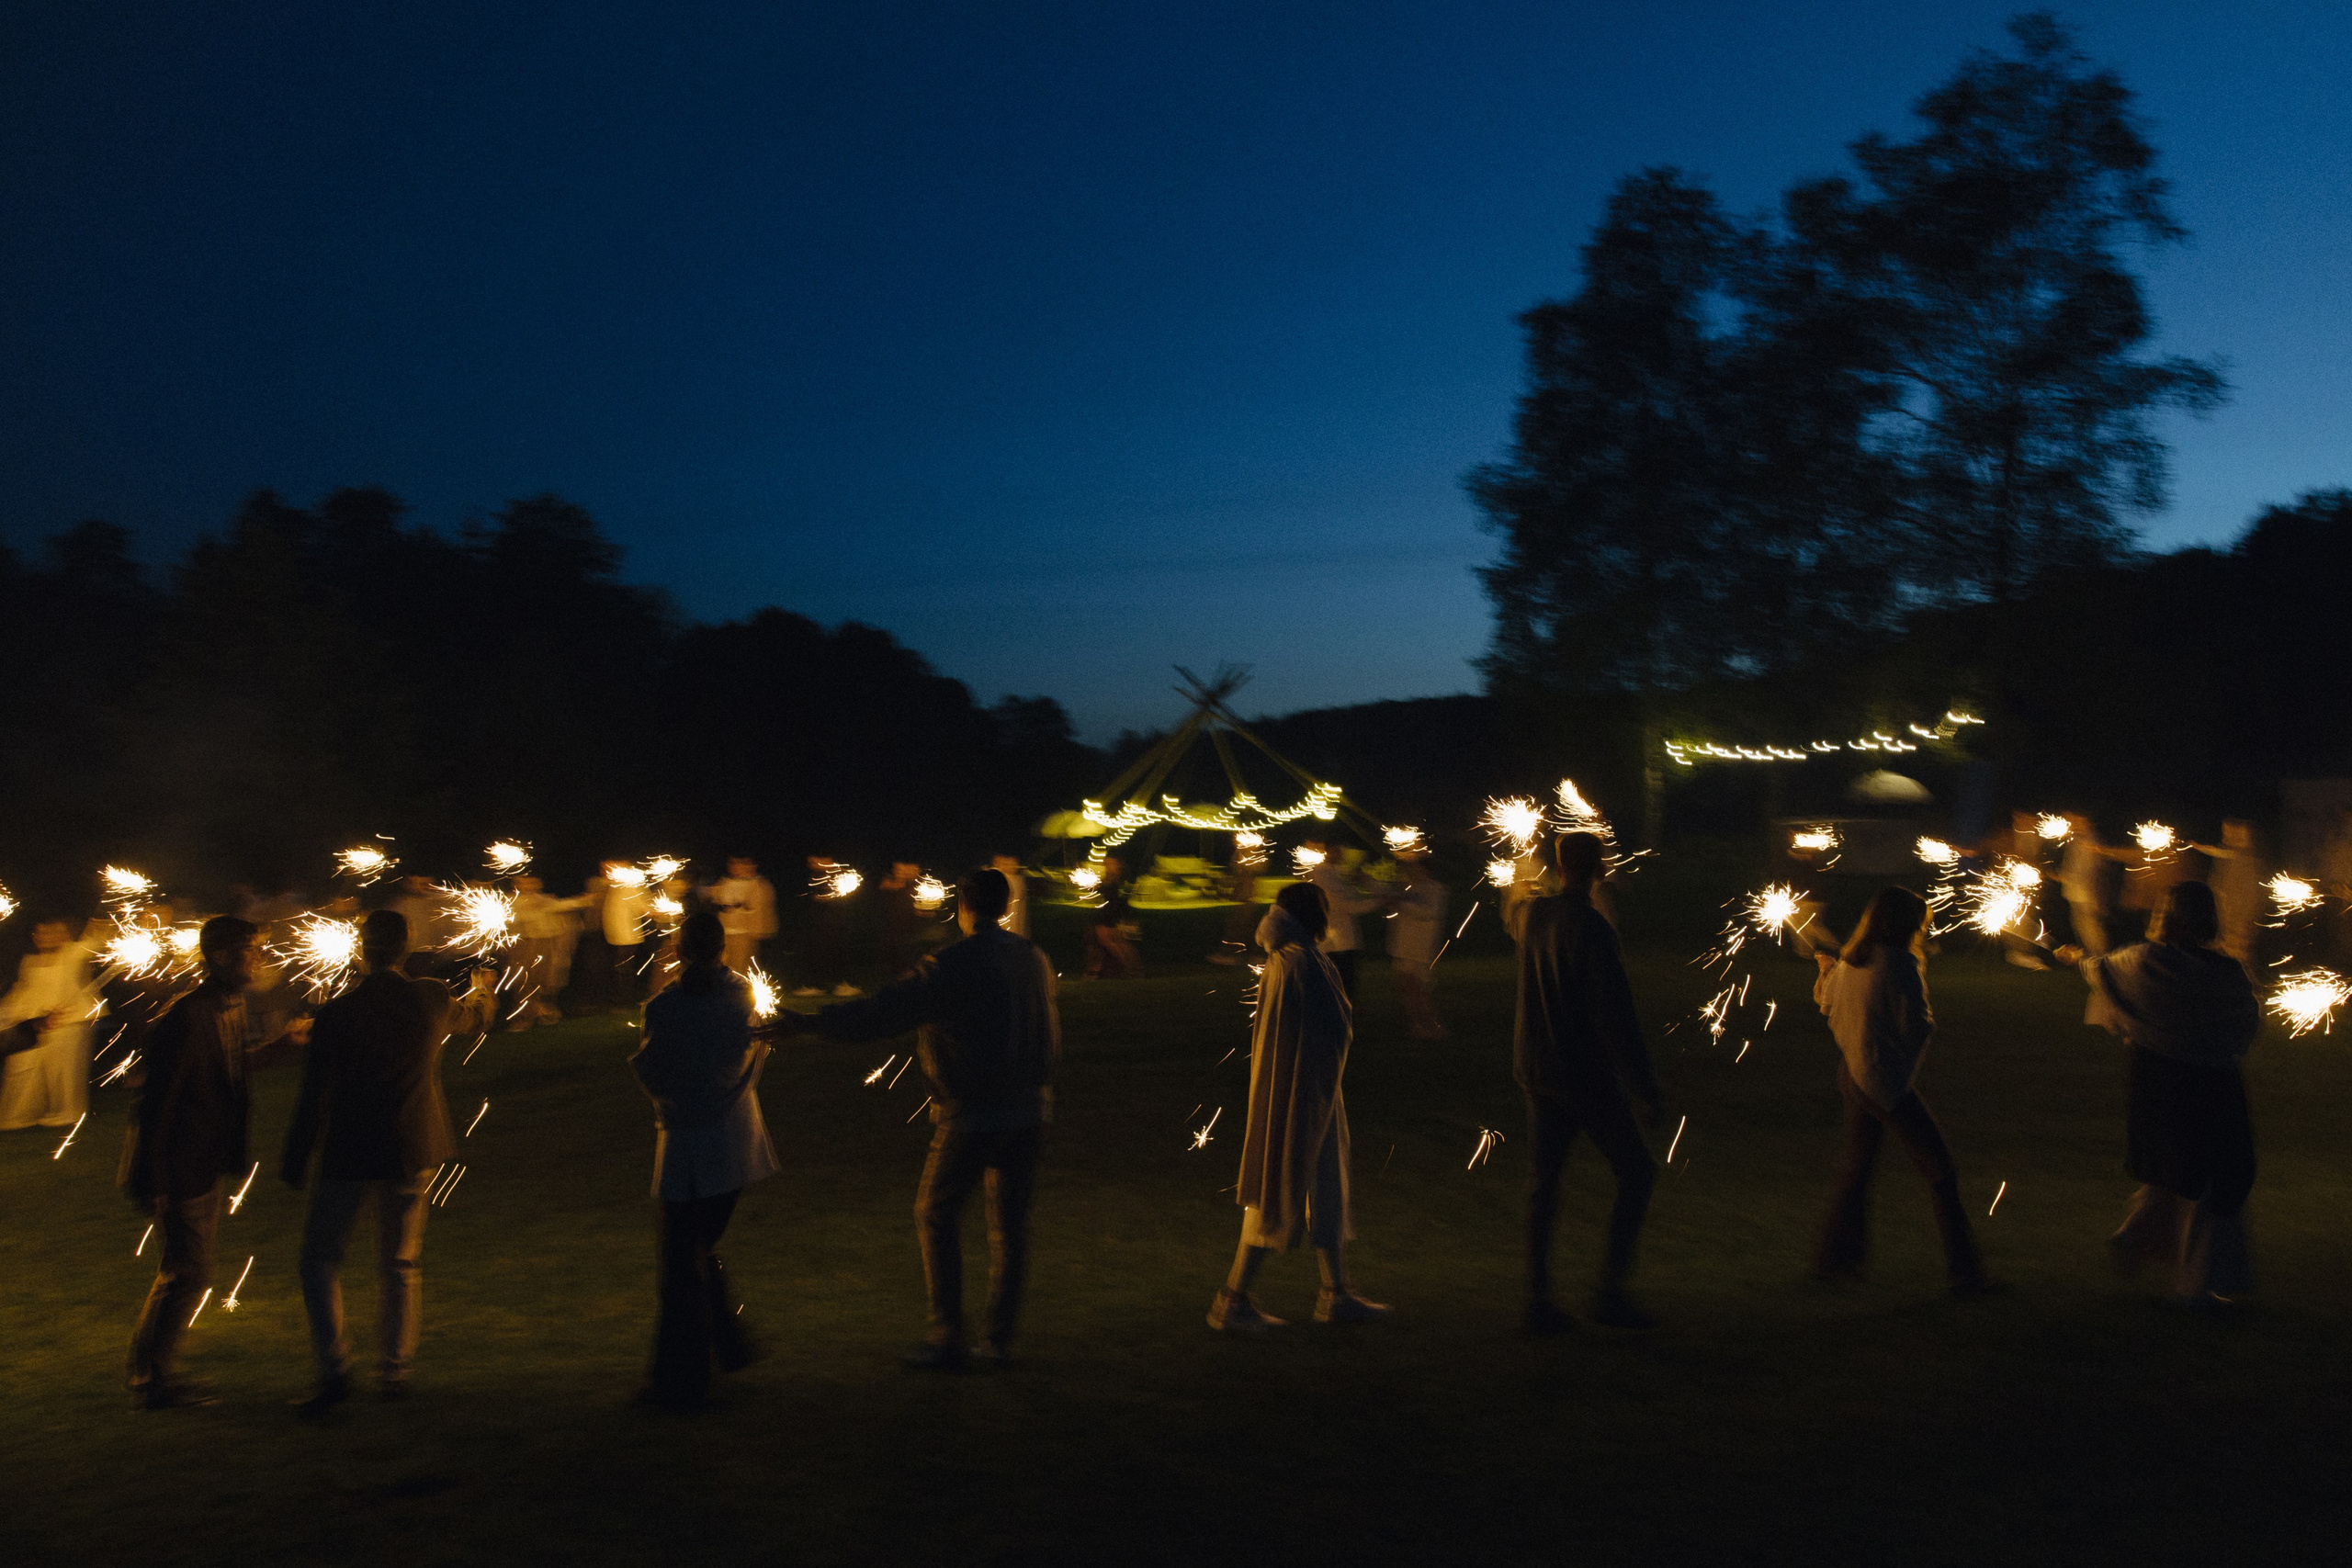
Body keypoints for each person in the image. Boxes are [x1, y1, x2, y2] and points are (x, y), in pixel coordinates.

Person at [784, 868, 1057, 1369]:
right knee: (1011, 1228)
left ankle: (947, 1338)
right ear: (1007, 907)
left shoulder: (951, 964)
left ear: (963, 909)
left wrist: (807, 1023)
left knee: (936, 1213)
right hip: (1028, 1111)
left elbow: (881, 1014)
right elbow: (1049, 1033)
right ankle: (997, 1341)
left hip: (971, 1114)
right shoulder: (1034, 958)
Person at [281, 910, 487, 1413]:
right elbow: (477, 1019)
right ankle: (393, 1373)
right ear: (405, 947)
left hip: (349, 1149)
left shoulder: (336, 1012)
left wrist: (294, 1157)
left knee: (319, 1259)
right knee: (399, 1263)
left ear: (360, 950)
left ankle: (335, 1373)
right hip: (411, 1146)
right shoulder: (432, 996)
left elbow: (313, 1094)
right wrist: (485, 987)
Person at [121, 917, 309, 1409]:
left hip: (201, 1160)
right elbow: (157, 1105)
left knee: (187, 1271)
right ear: (223, 956)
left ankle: (154, 1375)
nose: (258, 959)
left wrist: (279, 1050)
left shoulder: (227, 1005)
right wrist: (153, 1178)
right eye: (249, 950)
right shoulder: (188, 1017)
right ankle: (152, 1379)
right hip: (180, 1164)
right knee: (188, 1272)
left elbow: (227, 1065)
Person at [2047, 882, 2261, 1308]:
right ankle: (2194, 1288)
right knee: (2206, 1178)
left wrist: (2075, 957)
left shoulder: (2142, 962)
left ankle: (2136, 1239)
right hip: (2210, 1084)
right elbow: (2246, 1028)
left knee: (2177, 1171)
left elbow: (2102, 972)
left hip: (2158, 1081)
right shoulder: (2226, 973)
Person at [1209, 881, 1387, 1333]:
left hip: (1308, 1091)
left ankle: (1336, 1293)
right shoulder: (1301, 962)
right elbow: (1331, 1027)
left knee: (1326, 1183)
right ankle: (1233, 1300)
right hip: (1300, 1094)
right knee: (1278, 1186)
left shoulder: (1290, 958)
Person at [1504, 831, 1664, 1332]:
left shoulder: (1534, 916)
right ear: (1601, 868)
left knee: (1544, 1185)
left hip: (1536, 1066)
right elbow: (1615, 1016)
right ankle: (1610, 1294)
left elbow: (1515, 911)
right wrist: (1645, 1089)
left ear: (1557, 865)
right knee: (1637, 1172)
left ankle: (1538, 1301)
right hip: (1582, 1074)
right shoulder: (1593, 928)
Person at [1811, 886, 1993, 1296]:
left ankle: (1833, 1263)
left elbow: (1829, 1004)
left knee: (1856, 1170)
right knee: (1941, 1170)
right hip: (1880, 1080)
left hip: (1852, 1072)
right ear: (1910, 925)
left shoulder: (1854, 959)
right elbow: (1916, 1025)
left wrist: (1826, 970)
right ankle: (1966, 1276)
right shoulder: (1900, 966)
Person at [628, 911, 778, 1407]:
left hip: (688, 1148)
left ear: (678, 949)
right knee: (696, 1249)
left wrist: (674, 1102)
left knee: (678, 1264)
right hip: (735, 1146)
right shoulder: (743, 996)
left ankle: (680, 1381)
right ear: (722, 948)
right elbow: (752, 1058)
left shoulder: (664, 1006)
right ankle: (730, 1346)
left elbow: (653, 1071)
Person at [0, 917, 96, 1131]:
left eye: (52, 932)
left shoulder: (75, 953)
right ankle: (19, 1115)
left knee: (63, 1071)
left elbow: (98, 939)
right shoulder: (29, 961)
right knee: (22, 1068)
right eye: (41, 933)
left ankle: (66, 1112)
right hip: (34, 1024)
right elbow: (23, 992)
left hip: (69, 1021)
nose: (46, 938)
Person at [1300, 838, 1382, 1002]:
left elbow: (1351, 900)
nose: (1343, 854)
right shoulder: (1323, 874)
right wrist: (1379, 902)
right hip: (1334, 942)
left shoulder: (1337, 873)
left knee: (1344, 987)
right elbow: (1344, 905)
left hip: (1343, 940)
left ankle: (1340, 1020)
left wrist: (1366, 883)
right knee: (1337, 987)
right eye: (1338, 849)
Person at [510, 875, 592, 1029]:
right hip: (524, 945)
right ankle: (523, 1017)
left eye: (531, 882)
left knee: (545, 981)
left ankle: (545, 1012)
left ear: (538, 884)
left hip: (544, 944)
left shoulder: (543, 899)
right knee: (524, 982)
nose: (527, 885)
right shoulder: (514, 902)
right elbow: (513, 921)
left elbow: (562, 906)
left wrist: (584, 900)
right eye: (522, 882)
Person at [1388, 852, 1448, 1041]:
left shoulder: (1435, 890)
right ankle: (1419, 1026)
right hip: (1405, 946)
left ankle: (1433, 1026)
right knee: (1406, 987)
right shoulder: (1411, 889)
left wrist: (1400, 904)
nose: (1411, 871)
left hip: (1418, 948)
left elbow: (1427, 912)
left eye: (1415, 868)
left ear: (1425, 870)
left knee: (1417, 989)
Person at [2194, 818, 2267, 973]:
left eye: (2232, 834)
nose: (2226, 838)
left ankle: (2247, 987)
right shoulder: (2231, 857)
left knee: (2237, 959)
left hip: (2237, 919)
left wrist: (2239, 923)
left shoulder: (2245, 863)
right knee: (2229, 958)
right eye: (2226, 833)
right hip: (2228, 919)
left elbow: (2248, 896)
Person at [2058, 815, 2126, 957]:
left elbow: (2097, 872)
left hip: (2089, 894)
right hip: (2075, 893)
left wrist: (2098, 897)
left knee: (2093, 930)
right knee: (2081, 928)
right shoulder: (2075, 841)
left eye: (2077, 821)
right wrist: (2064, 876)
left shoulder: (2094, 843)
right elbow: (2072, 866)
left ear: (2087, 822)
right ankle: (2091, 959)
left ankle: (2102, 959)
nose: (2073, 824)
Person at [702, 856, 779, 975]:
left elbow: (761, 909)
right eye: (733, 863)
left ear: (752, 866)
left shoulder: (758, 884)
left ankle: (740, 990)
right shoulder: (726, 882)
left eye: (741, 863)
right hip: (725, 931)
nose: (736, 867)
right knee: (723, 963)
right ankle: (726, 989)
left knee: (741, 966)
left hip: (744, 933)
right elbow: (715, 896)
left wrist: (758, 930)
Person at [599, 863, 653, 1007]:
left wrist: (661, 912)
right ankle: (618, 999)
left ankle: (623, 1001)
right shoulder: (617, 883)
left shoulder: (631, 886)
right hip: (616, 935)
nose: (607, 871)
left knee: (624, 971)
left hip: (627, 936)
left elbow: (644, 908)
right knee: (620, 969)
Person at [1083, 855, 1140, 979]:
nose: (1106, 866)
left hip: (1112, 916)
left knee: (1112, 942)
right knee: (1104, 943)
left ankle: (1131, 970)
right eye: (1106, 864)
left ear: (1118, 865)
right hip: (1109, 915)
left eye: (1110, 863)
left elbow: (1114, 897)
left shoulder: (1117, 880)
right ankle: (1094, 972)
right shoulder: (1114, 879)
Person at [990, 853, 1030, 939]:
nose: (1011, 866)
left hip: (1011, 932)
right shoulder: (998, 880)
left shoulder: (1016, 881)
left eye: (1012, 863)